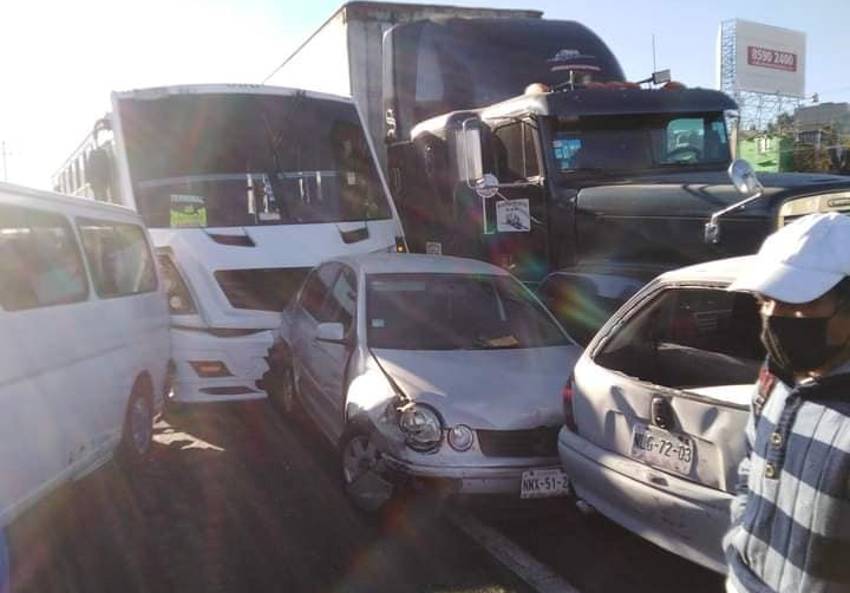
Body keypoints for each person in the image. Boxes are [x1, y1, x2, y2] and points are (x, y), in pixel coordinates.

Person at [724, 212, 850, 593]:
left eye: (801, 305)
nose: (776, 319)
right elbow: (751, 469)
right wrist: (741, 546)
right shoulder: (774, 377)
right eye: (766, 301)